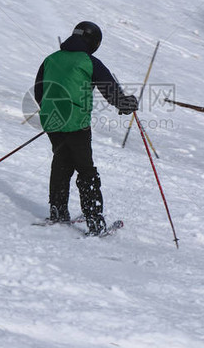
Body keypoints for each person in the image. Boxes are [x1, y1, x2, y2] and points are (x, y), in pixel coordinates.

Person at [33, 21, 138, 235]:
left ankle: (58, 211)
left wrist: (53, 111)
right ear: (93, 41)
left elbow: (38, 91)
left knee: (61, 162)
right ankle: (95, 223)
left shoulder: (50, 59)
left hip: (51, 121)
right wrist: (126, 104)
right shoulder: (89, 61)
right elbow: (112, 93)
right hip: (77, 124)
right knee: (86, 171)